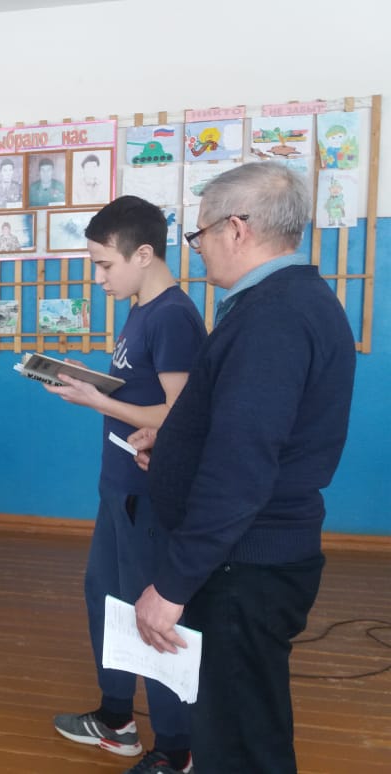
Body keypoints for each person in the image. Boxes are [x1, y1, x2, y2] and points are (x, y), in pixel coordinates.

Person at [128, 162, 356, 774]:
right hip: (244, 559)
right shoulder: (287, 301)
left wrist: (172, 585)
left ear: (236, 228)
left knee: (240, 745)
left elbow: (241, 468)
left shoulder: (272, 318)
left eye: (198, 235)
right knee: (240, 727)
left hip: (241, 568)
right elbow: (247, 430)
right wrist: (174, 444)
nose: (197, 249)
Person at [46, 195, 206, 774]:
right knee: (105, 598)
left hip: (148, 494)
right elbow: (142, 393)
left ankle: (176, 748)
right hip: (118, 485)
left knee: (150, 614)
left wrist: (94, 401)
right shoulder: (139, 307)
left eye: (104, 265)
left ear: (143, 254)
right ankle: (116, 719)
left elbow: (180, 414)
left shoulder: (172, 316)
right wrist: (97, 387)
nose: (98, 278)